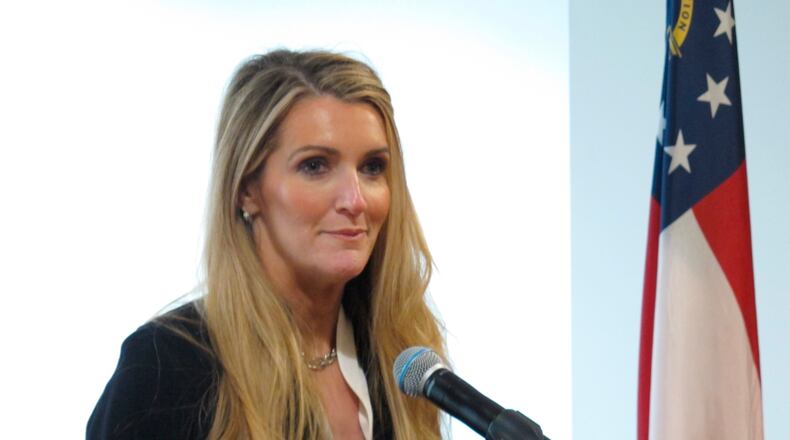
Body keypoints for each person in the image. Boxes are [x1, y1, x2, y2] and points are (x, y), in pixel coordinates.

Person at [87, 49, 446, 439]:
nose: (355, 199)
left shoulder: (400, 356)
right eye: (315, 166)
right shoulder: (165, 367)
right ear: (246, 190)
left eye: (372, 167)